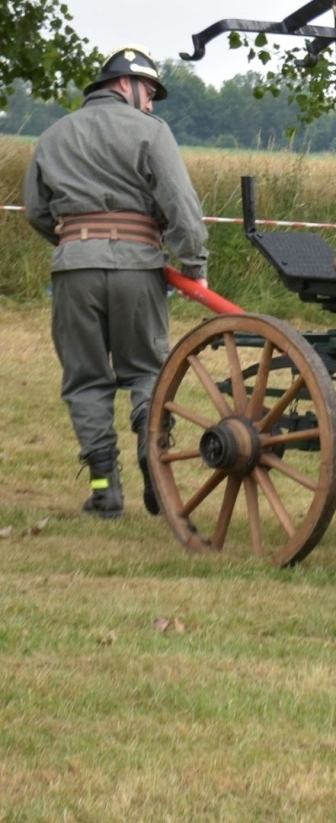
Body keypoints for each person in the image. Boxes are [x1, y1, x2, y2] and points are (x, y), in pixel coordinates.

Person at [23, 46, 209, 518]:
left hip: (73, 269)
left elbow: (37, 212)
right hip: (137, 268)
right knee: (147, 370)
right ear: (125, 84)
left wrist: (76, 244)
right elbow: (181, 206)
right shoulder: (151, 132)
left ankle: (105, 489)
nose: (151, 104)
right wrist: (194, 262)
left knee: (86, 380)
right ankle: (153, 460)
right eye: (149, 92)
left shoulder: (53, 135)